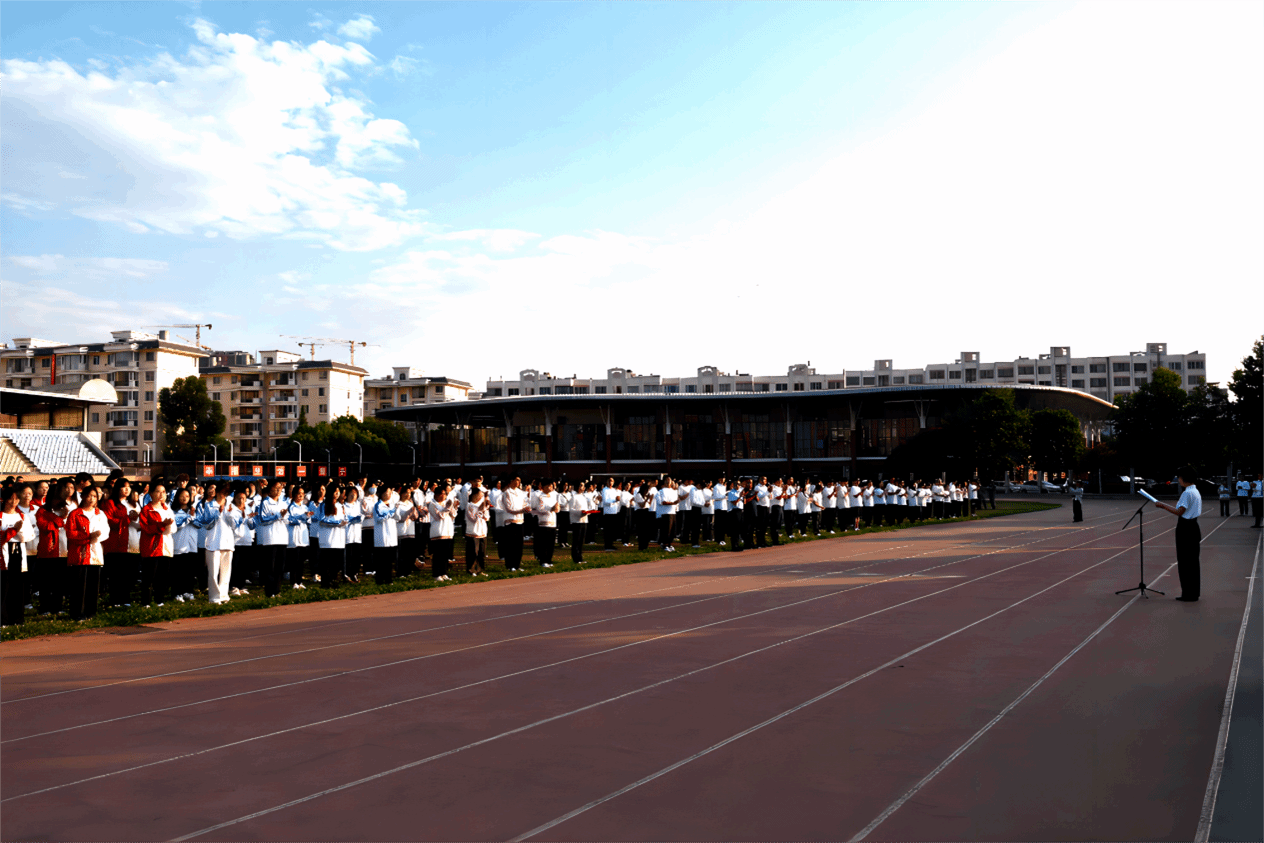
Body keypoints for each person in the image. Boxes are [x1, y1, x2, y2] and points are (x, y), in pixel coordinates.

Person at [1153, 467, 1202, 602]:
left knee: (1185, 562)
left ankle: (1188, 594)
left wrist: (1163, 505)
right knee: (1193, 562)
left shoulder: (1187, 493)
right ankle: (1194, 592)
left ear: (1183, 478)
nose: (1178, 479)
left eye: (1179, 477)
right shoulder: (1196, 491)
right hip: (1194, 526)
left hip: (1185, 528)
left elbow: (1180, 511)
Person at [64, 485, 108, 620]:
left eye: (95, 496)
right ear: (82, 496)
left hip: (94, 552)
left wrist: (96, 537)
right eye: (89, 495)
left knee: (93, 584)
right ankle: (78, 613)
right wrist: (88, 537)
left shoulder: (100, 513)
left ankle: (91, 612)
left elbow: (106, 531)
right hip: (79, 553)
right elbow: (71, 533)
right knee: (79, 585)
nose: (91, 499)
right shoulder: (75, 513)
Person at [136, 482, 176, 606]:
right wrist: (162, 525)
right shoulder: (146, 510)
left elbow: (174, 527)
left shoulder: (167, 509)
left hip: (166, 545)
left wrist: (168, 526)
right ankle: (146, 602)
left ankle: (160, 599)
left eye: (163, 492)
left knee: (163, 575)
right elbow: (146, 528)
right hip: (152, 546)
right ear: (152, 493)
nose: (161, 494)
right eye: (158, 491)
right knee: (149, 576)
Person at [1, 487, 36, 626]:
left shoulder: (22, 516)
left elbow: (30, 535)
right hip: (3, 553)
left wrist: (18, 532)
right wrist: (13, 530)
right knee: (4, 586)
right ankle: (3, 618)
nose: (14, 502)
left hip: (18, 552)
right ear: (4, 499)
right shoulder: (1, 515)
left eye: (16, 499)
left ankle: (17, 618)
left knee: (18, 586)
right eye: (11, 498)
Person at [254, 481, 290, 597]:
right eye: (276, 488)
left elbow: (287, 520)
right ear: (269, 491)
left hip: (282, 538)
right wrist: (278, 516)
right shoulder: (265, 503)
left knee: (280, 567)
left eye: (280, 488)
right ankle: (269, 591)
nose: (278, 490)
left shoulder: (283, 503)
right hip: (270, 539)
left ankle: (277, 590)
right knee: (270, 567)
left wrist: (283, 517)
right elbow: (263, 519)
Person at [427, 482, 458, 581]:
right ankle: (436, 574)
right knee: (438, 555)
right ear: (436, 495)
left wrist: (454, 507)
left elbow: (453, 515)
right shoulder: (432, 504)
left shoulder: (445, 503)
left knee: (445, 555)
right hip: (438, 532)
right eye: (442, 494)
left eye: (445, 494)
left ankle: (444, 572)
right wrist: (447, 508)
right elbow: (438, 516)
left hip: (447, 532)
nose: (444, 496)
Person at [500, 477, 528, 571]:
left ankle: (517, 564)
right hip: (510, 521)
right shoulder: (507, 493)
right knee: (510, 544)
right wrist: (521, 510)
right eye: (516, 480)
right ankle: (510, 565)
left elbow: (524, 503)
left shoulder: (520, 492)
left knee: (519, 545)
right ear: (511, 481)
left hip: (520, 520)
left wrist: (526, 508)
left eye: (519, 480)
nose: (518, 482)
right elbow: (509, 508)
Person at [532, 479, 560, 567]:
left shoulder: (552, 496)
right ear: (542, 487)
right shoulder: (540, 497)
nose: (550, 488)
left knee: (551, 543)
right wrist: (550, 509)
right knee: (544, 543)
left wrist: (556, 508)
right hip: (544, 523)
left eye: (551, 486)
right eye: (547, 486)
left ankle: (549, 559)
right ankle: (543, 560)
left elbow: (557, 509)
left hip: (552, 522)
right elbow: (540, 509)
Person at [569, 482, 598, 564]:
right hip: (577, 521)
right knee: (577, 540)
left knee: (581, 540)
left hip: (584, 520)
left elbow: (587, 508)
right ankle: (576, 558)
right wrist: (580, 512)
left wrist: (588, 512)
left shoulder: (584, 497)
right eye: (581, 485)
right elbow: (571, 510)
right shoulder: (574, 497)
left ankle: (580, 557)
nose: (582, 487)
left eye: (583, 486)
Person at [465, 488, 491, 576]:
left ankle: (480, 570)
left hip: (482, 532)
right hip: (473, 532)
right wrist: (480, 510)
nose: (481, 497)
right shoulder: (469, 506)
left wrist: (485, 509)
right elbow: (473, 519)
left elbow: (487, 518)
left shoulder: (481, 506)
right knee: (473, 553)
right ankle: (471, 570)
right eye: (480, 495)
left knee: (482, 553)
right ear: (475, 496)